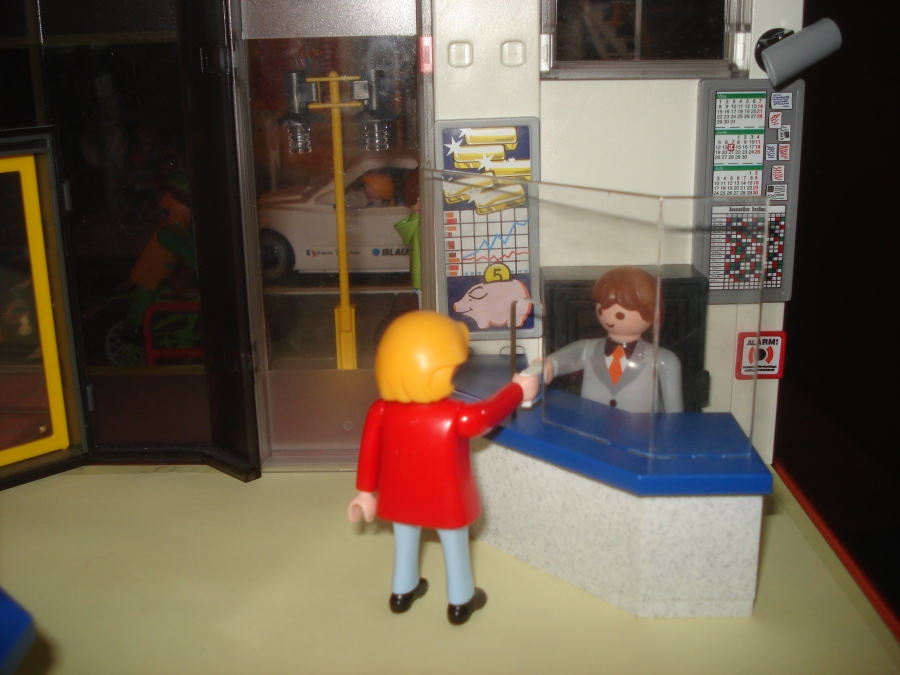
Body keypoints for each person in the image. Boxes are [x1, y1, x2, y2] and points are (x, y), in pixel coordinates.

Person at [348, 311, 538, 625]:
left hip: (400, 498)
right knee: (454, 547)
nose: (454, 374)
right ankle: (460, 600)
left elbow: (368, 453)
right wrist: (518, 390)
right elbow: (486, 415)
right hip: (446, 501)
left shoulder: (380, 410)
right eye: (451, 368)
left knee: (405, 541)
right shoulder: (454, 415)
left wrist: (365, 493)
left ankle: (402, 591)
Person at [542, 266, 683, 413]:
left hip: (639, 426)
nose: (609, 319)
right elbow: (566, 359)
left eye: (620, 315)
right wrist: (550, 365)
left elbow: (674, 411)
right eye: (601, 310)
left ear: (652, 312)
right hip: (592, 422)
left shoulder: (663, 359)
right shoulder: (589, 348)